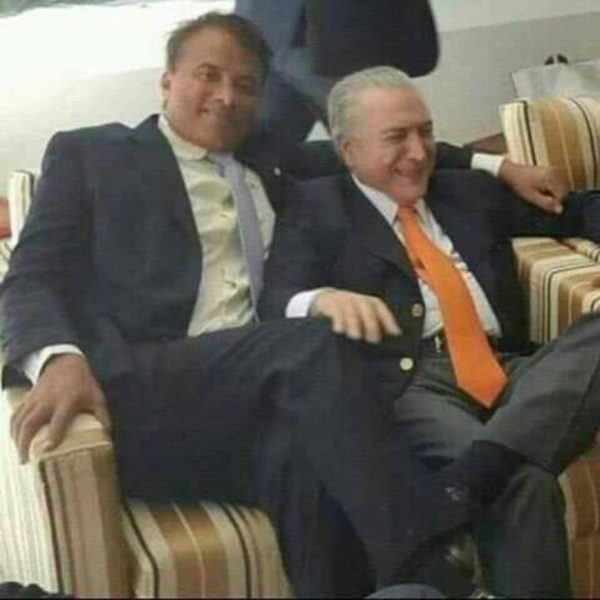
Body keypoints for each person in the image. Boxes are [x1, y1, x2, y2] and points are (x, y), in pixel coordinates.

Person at [1, 12, 511, 599]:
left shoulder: (273, 160)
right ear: (167, 80)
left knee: (307, 463)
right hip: (146, 388)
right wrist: (57, 357)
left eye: (245, 85)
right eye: (208, 75)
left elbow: (382, 148)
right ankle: (437, 560)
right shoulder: (92, 154)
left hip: (253, 405)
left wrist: (499, 163)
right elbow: (29, 275)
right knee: (313, 339)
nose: (226, 96)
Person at [260, 66, 600, 597]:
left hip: (511, 368)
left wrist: (503, 166)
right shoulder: (316, 208)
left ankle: (480, 469)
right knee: (525, 483)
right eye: (396, 137)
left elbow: (574, 210)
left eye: (425, 132)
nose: (418, 153)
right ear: (348, 151)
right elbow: (276, 298)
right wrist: (322, 299)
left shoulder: (463, 190)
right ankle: (498, 464)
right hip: (412, 382)